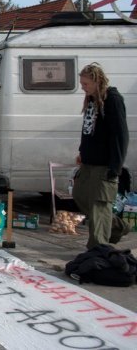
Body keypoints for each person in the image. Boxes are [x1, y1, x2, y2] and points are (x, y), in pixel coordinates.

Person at [72, 62, 128, 250]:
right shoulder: (90, 100)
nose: (83, 87)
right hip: (89, 161)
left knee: (99, 205)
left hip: (105, 164)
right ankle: (118, 227)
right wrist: (82, 151)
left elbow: (120, 134)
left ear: (97, 81)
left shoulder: (112, 99)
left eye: (86, 84)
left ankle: (98, 249)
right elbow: (87, 129)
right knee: (79, 194)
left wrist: (115, 166)